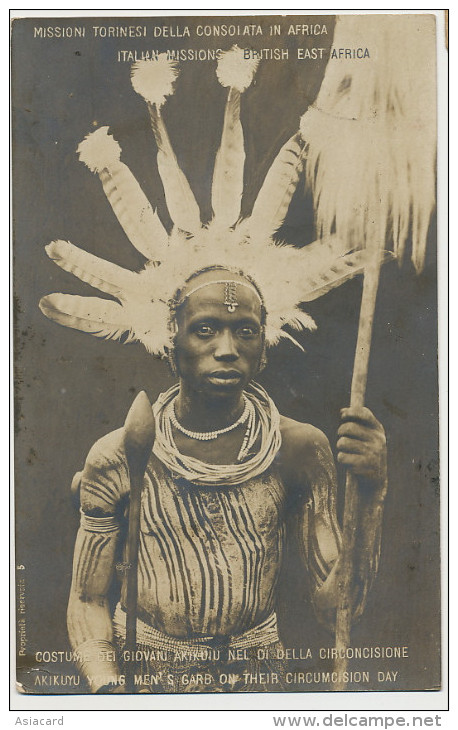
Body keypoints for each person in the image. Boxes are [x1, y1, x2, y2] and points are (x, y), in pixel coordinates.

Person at [39, 52, 387, 694]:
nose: (226, 347)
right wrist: (110, 692)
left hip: (259, 685)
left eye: (243, 331)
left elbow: (334, 609)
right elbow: (88, 603)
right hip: (150, 689)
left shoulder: (300, 447)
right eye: (205, 330)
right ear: (168, 341)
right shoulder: (117, 456)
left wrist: (371, 494)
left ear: (265, 342)